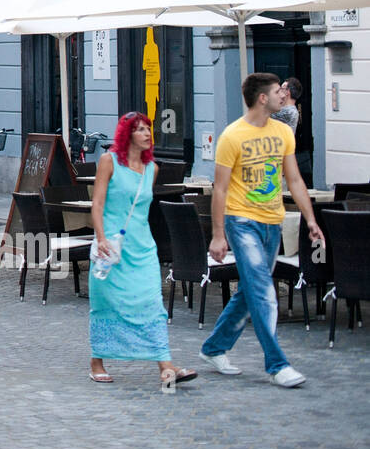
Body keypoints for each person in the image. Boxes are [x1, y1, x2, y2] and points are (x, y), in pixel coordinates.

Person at [200, 73, 324, 388]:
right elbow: (220, 190)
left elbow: (294, 180)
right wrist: (218, 234)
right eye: (277, 90)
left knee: (250, 291)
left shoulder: (283, 132)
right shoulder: (232, 136)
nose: (284, 93)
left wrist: (310, 219)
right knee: (263, 292)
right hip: (241, 221)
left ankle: (214, 347)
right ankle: (277, 364)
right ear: (263, 98)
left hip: (273, 221)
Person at [87, 111, 195, 387]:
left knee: (152, 303)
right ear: (127, 135)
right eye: (140, 129)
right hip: (111, 247)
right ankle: (97, 361)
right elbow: (97, 204)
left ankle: (165, 365)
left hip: (143, 247)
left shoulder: (153, 169)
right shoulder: (108, 161)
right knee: (106, 304)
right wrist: (100, 238)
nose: (147, 134)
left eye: (148, 129)